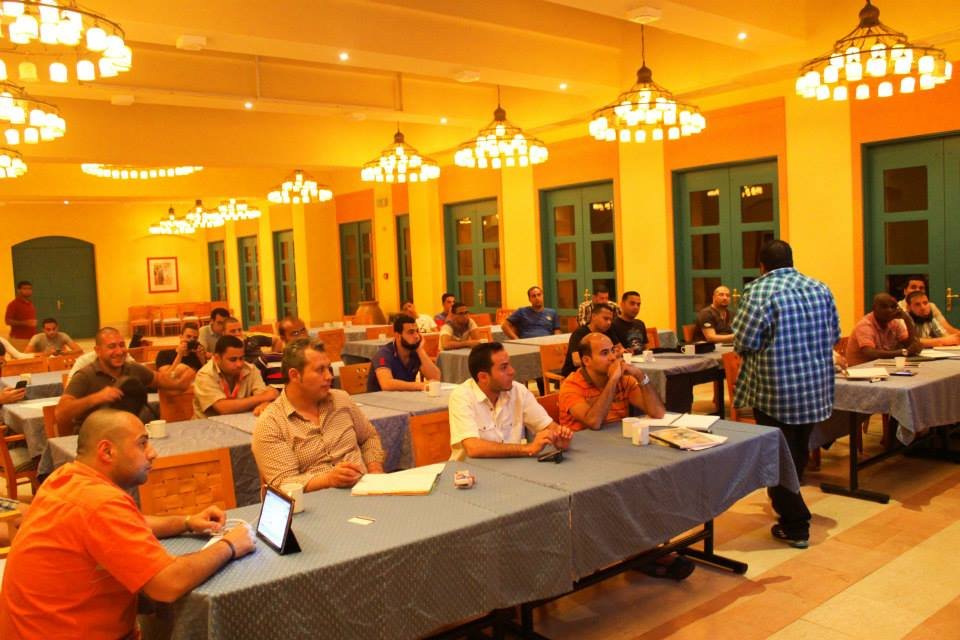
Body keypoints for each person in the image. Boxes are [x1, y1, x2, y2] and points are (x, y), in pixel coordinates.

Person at [0, 409, 255, 639]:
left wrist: (187, 522)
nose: (153, 453)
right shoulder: (101, 502)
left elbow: (130, 523)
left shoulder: (66, 477)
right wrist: (229, 545)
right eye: (142, 443)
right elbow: (167, 584)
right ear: (107, 451)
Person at [732, 239, 840, 549]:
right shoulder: (820, 288)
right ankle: (789, 501)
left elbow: (745, 341)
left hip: (776, 389)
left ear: (761, 265)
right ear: (791, 261)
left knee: (779, 456)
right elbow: (834, 334)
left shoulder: (759, 291)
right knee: (797, 449)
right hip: (815, 386)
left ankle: (796, 524)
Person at [253, 338, 385, 491]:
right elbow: (284, 483)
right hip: (315, 501)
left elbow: (369, 437)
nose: (329, 376)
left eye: (329, 368)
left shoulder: (341, 399)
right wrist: (328, 480)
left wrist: (375, 470)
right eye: (320, 370)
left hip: (365, 490)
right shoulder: (271, 423)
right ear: (294, 375)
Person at [449, 342, 573, 459]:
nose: (512, 371)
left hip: (513, 467)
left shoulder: (518, 391)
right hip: (470, 470)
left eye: (509, 365)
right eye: (504, 368)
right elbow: (473, 448)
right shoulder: (462, 396)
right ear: (483, 377)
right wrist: (527, 448)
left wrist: (558, 437)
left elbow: (547, 426)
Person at [57, 327, 191, 433]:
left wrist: (182, 381)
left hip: (128, 434)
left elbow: (162, 380)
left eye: (122, 345)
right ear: (98, 351)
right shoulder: (85, 375)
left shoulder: (133, 368)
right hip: (94, 438)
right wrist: (96, 398)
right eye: (112, 347)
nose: (119, 351)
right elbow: (61, 412)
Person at [559, 332, 665, 431]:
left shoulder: (624, 380)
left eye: (613, 351)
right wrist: (613, 380)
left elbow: (658, 413)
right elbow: (594, 422)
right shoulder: (571, 386)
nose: (613, 357)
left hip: (617, 439)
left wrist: (640, 375)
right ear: (587, 361)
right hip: (583, 442)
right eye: (605, 353)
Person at [192, 335, 279, 419]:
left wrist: (264, 403)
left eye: (241, 358)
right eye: (233, 360)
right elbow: (223, 408)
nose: (239, 364)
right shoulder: (205, 375)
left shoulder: (250, 369)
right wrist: (263, 397)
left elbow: (264, 398)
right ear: (217, 358)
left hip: (241, 421)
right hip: (207, 425)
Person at [367, 314, 441, 392]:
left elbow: (435, 378)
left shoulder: (415, 351)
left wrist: (420, 350)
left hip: (403, 397)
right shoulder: (384, 354)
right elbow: (387, 384)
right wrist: (420, 385)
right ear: (398, 336)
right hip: (379, 398)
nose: (416, 336)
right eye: (411, 332)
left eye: (417, 331)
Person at [846, 293, 922, 366]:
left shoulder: (895, 322)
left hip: (881, 366)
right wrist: (903, 352)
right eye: (884, 307)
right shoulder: (865, 325)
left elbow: (910, 344)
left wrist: (907, 319)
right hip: (861, 369)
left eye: (892, 307)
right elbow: (870, 353)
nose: (889, 310)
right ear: (874, 308)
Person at [561, 303, 616, 376]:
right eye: (605, 319)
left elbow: (618, 351)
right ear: (593, 316)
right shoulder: (579, 334)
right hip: (575, 374)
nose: (609, 322)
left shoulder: (607, 333)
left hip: (601, 373)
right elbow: (576, 361)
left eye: (611, 320)